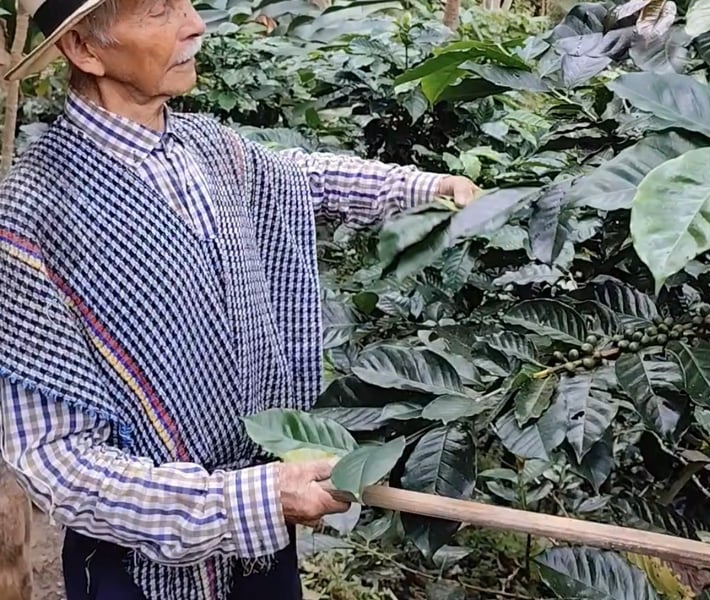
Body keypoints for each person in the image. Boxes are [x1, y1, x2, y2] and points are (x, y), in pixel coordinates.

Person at [0, 0, 480, 599]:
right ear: (84, 50)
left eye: (186, 3)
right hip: (137, 569)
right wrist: (245, 500)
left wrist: (427, 187)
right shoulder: (34, 212)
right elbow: (56, 459)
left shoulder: (205, 146)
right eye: (157, 11)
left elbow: (301, 177)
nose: (195, 24)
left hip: (259, 544)